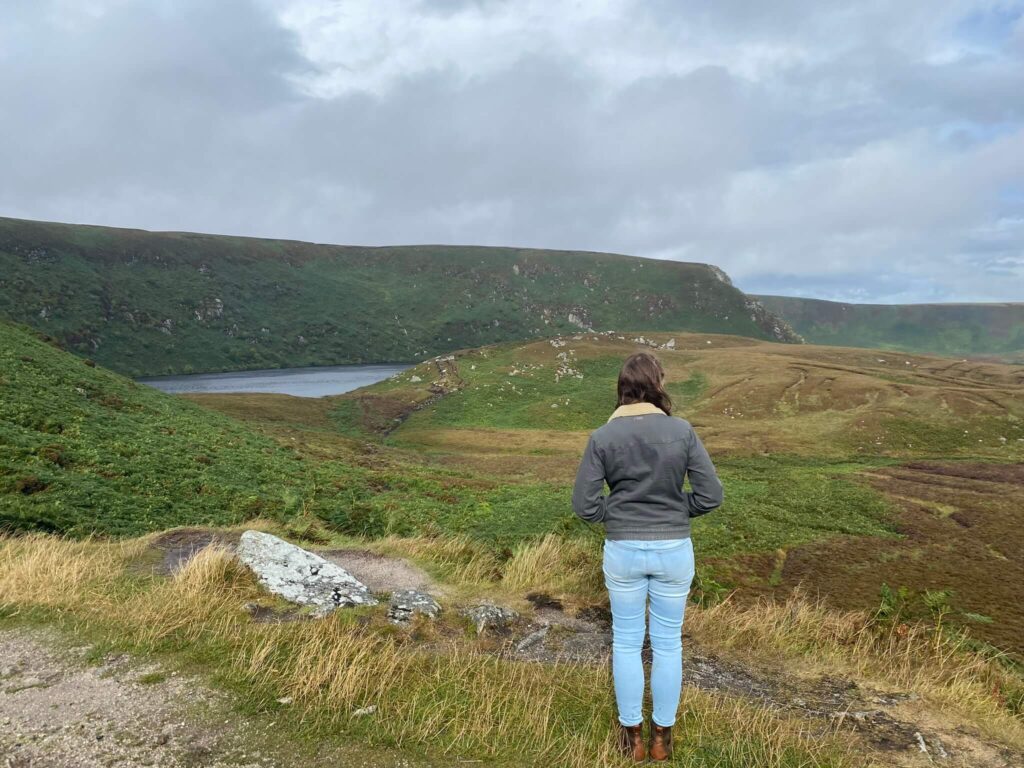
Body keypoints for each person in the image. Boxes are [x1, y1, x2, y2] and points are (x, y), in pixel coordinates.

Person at [572, 351, 723, 762]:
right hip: (674, 549)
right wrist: (676, 511)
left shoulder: (602, 437)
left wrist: (617, 515)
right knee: (668, 644)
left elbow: (585, 506)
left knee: (625, 643)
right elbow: (711, 496)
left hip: (623, 549)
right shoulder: (681, 430)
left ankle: (631, 740)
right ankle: (662, 741)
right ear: (658, 384)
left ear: (623, 387)